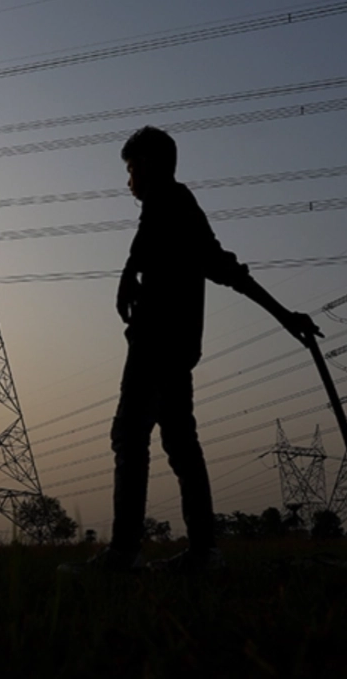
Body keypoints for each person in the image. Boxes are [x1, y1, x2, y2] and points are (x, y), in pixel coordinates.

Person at [78, 126, 321, 574]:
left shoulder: (172, 204)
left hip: (158, 342)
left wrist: (285, 315)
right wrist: (129, 274)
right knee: (180, 442)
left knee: (131, 436)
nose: (128, 180)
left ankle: (125, 551)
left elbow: (223, 266)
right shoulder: (163, 209)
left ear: (148, 166)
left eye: (131, 169)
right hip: (175, 343)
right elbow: (154, 255)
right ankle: (203, 552)